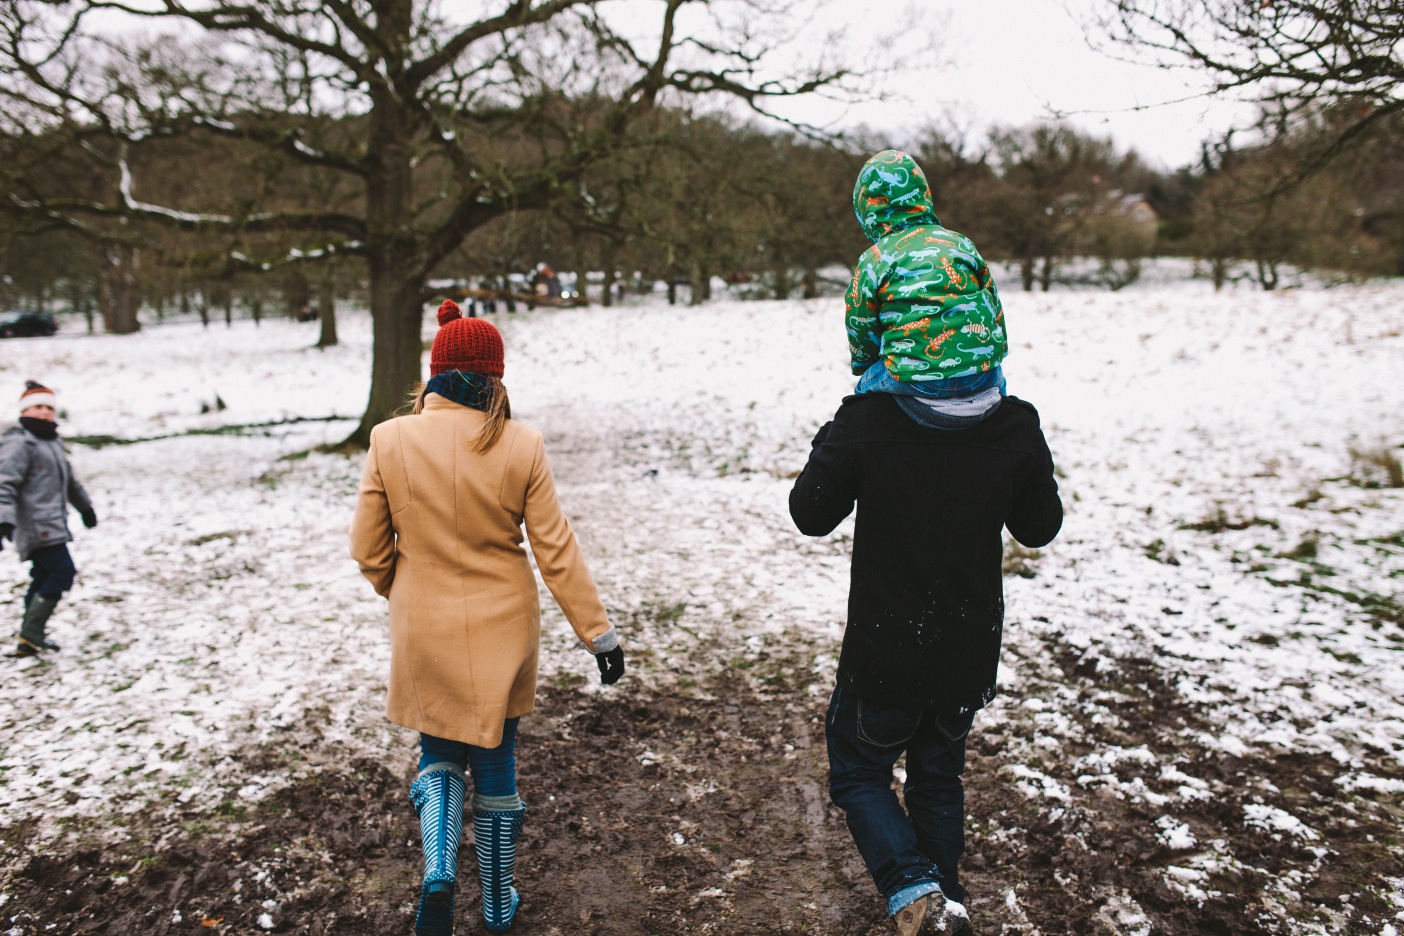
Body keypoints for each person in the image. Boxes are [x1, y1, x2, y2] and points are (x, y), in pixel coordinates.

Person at [349, 300, 625, 936]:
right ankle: (498, 900)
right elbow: (555, 550)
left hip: (424, 626)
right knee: (497, 761)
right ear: (494, 377)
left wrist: (408, 589)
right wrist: (598, 636)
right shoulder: (519, 444)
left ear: (435, 372)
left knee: (438, 754)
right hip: (505, 625)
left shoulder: (389, 440)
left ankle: (440, 869)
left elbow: (367, 550)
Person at [788, 381, 1062, 934]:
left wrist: (837, 428)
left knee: (859, 771)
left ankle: (916, 888)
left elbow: (810, 511)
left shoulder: (869, 419)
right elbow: (1040, 527)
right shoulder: (1013, 423)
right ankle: (946, 903)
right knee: (937, 779)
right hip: (966, 650)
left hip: (885, 649)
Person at [845, 149, 1009, 428]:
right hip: (981, 375)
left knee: (863, 390)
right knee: (1001, 382)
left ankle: (861, 437)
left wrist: (864, 363)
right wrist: (994, 352)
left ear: (867, 209)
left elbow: (861, 323)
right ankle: (1001, 424)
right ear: (923, 196)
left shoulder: (874, 259)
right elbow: (993, 306)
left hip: (917, 381)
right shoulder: (961, 244)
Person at [0, 381, 98, 658]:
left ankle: (29, 639)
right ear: (24, 411)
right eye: (37, 407)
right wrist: (2, 521)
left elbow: (70, 482)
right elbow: (3, 484)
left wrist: (85, 509)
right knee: (61, 571)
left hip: (53, 522)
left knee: (43, 575)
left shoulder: (51, 442)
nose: (43, 412)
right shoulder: (19, 444)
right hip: (34, 526)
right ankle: (31, 633)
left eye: (48, 407)